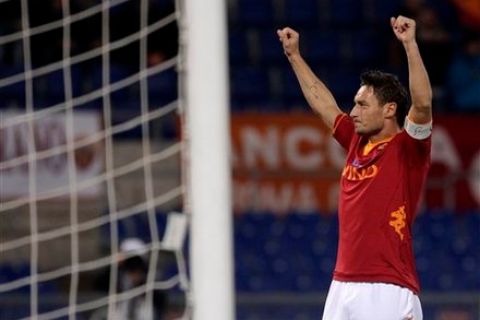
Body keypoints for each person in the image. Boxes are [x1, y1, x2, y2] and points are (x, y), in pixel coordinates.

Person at [278, 15, 432, 320]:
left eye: (362, 105)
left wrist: (410, 45)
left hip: (387, 287)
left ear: (389, 110)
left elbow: (423, 104)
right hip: (342, 284)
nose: (353, 112)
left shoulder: (408, 149)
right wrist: (294, 56)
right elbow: (324, 103)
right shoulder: (355, 143)